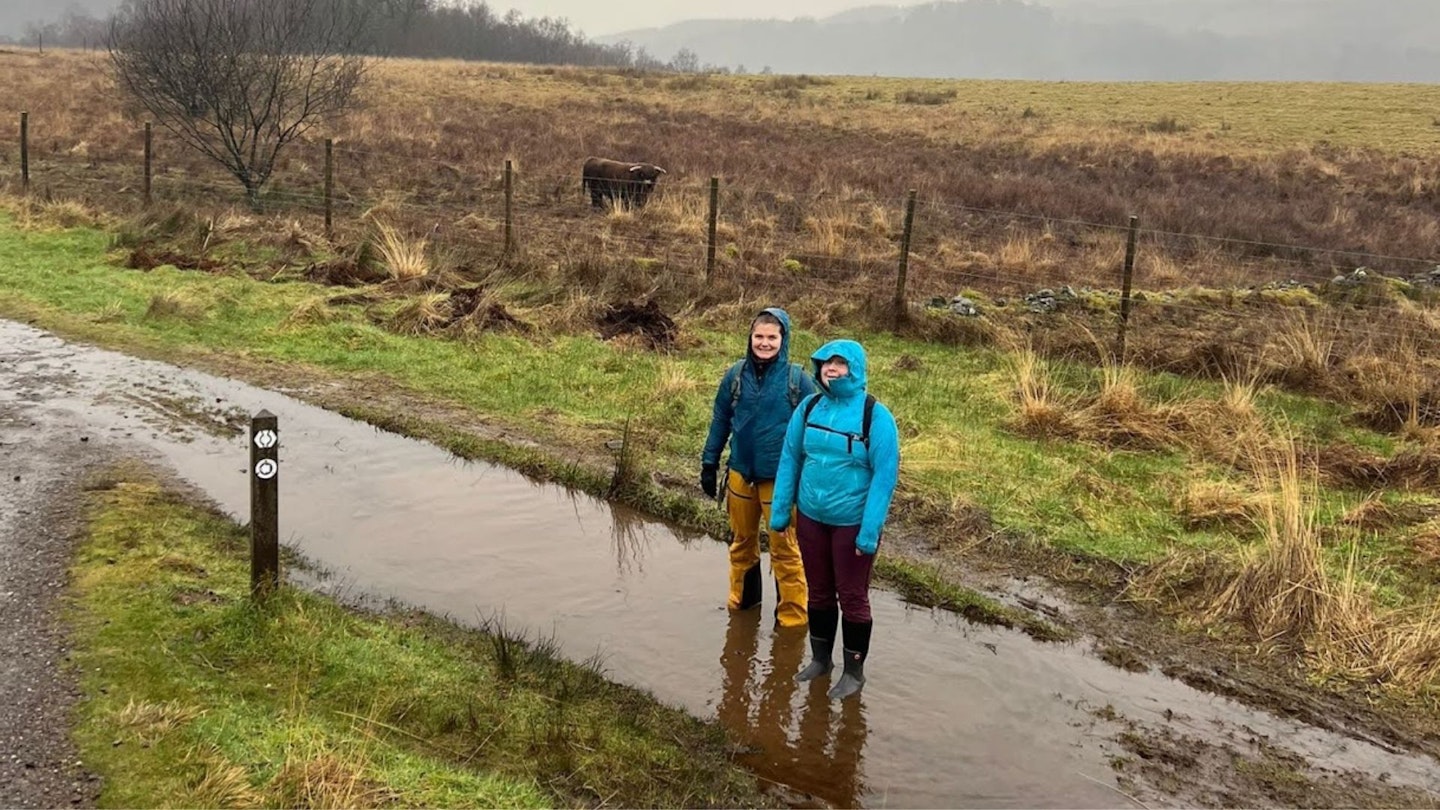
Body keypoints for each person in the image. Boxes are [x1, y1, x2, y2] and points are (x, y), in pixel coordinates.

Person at [770, 339, 900, 701]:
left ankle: (854, 672)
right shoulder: (810, 407)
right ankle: (821, 661)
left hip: (852, 525)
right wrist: (781, 510)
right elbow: (790, 457)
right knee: (820, 591)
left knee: (852, 597)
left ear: (855, 369)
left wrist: (869, 533)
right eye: (826, 362)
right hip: (811, 518)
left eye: (840, 363)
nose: (831, 369)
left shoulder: (875, 416)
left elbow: (884, 477)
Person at [701, 307, 819, 628]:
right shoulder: (735, 377)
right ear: (750, 338)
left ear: (784, 339)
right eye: (759, 337)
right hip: (740, 474)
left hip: (780, 482)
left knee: (785, 551)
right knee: (741, 544)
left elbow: (816, 432)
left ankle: (792, 622)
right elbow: (720, 420)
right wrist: (709, 462)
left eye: (771, 337)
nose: (764, 343)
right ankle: (742, 609)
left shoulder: (799, 381)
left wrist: (810, 480)